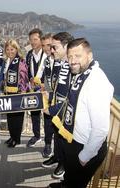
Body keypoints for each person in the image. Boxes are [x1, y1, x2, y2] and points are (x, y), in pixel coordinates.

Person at [48, 38, 114, 188]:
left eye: (78, 56)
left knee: (76, 184)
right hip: (73, 138)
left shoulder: (96, 83)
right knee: (70, 176)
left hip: (85, 147)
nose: (72, 61)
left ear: (89, 56)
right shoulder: (82, 74)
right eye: (70, 56)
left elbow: (101, 129)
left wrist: (85, 156)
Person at [42, 32, 74, 179]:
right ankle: (56, 157)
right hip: (56, 108)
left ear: (66, 47)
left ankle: (64, 163)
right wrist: (48, 96)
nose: (51, 50)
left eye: (55, 47)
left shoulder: (73, 68)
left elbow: (70, 97)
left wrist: (52, 109)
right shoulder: (58, 62)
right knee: (57, 135)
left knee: (64, 138)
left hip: (65, 113)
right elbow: (53, 84)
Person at [25, 28, 49, 152]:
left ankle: (48, 141)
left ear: (41, 39)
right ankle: (36, 135)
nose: (33, 42)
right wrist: (30, 79)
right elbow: (28, 70)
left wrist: (44, 85)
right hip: (33, 89)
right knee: (34, 114)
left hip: (45, 90)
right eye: (31, 40)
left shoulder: (47, 55)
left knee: (47, 115)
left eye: (35, 39)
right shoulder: (29, 54)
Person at [3, 39, 30, 147]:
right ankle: (12, 136)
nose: (10, 52)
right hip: (8, 93)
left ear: (16, 49)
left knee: (17, 118)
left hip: (18, 94)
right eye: (8, 49)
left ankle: (16, 139)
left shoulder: (21, 61)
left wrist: (21, 92)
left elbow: (24, 78)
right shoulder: (7, 61)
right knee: (10, 117)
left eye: (12, 49)